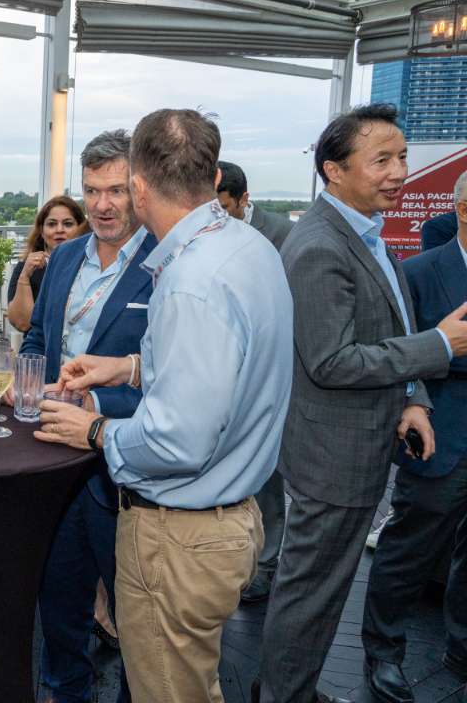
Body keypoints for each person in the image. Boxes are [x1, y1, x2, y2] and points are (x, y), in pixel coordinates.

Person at [38, 108, 293, 703]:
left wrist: (95, 429)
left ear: (140, 186)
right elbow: (223, 366)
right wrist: (129, 366)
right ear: (212, 174)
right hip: (229, 519)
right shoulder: (249, 247)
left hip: (180, 538)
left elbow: (176, 440)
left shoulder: (190, 281)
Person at [258, 103, 467, 703]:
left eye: (401, 157)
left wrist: (414, 398)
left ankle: (293, 689)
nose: (399, 172)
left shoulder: (365, 235)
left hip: (357, 448)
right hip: (331, 458)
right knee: (309, 595)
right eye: (381, 160)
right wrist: (439, 347)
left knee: (322, 593)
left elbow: (390, 328)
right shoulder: (320, 246)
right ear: (334, 169)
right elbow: (331, 361)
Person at [19, 129, 153, 703]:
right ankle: (64, 691)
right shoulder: (66, 256)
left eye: (116, 190)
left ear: (140, 189)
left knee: (134, 613)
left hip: (121, 473)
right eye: (92, 190)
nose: (101, 205)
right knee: (58, 597)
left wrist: (96, 405)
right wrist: (25, 382)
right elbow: (38, 339)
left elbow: (171, 378)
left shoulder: (167, 261)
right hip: (52, 461)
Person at [360, 169, 467, 703]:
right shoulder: (420, 273)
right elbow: (400, 354)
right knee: (410, 548)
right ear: (464, 210)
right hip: (440, 432)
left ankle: (462, 646)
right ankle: (383, 651)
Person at [216, 159, 294, 604]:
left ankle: (265, 564)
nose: (218, 217)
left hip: (267, 374)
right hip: (220, 371)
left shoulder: (284, 235)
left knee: (268, 475)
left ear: (244, 200)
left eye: (225, 208)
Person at [6, 195, 89, 332]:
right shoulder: (26, 268)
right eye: (51, 224)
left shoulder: (91, 266)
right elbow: (22, 324)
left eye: (68, 224)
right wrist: (25, 276)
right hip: (39, 344)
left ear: (81, 229)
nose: (59, 230)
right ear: (42, 231)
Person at [215, 160, 293, 250]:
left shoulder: (285, 232)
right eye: (207, 206)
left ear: (243, 200)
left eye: (222, 207)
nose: (212, 214)